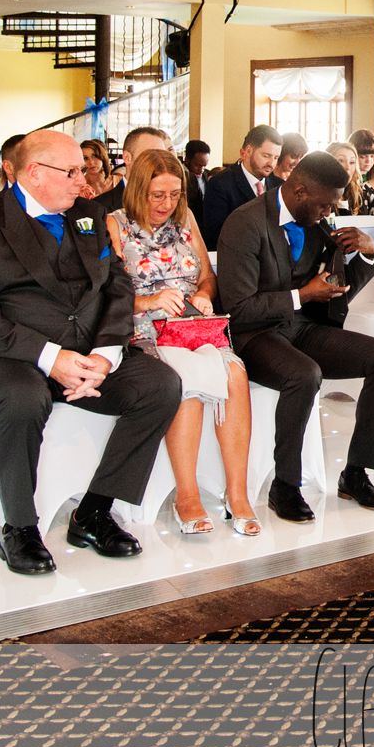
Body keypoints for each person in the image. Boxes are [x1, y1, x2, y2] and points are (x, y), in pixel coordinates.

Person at [0, 130, 181, 576]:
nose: (83, 180)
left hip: (87, 352)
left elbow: (117, 287)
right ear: (34, 173)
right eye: (71, 171)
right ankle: (20, 527)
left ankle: (93, 511)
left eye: (83, 170)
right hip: (8, 356)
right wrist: (51, 358)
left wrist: (106, 354)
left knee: (160, 384)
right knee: (22, 396)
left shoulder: (89, 214)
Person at [216, 151, 374, 524]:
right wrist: (302, 295)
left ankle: (356, 473)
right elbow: (238, 309)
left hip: (302, 328)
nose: (330, 212)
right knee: (304, 374)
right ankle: (285, 485)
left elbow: (337, 292)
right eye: (325, 204)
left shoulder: (317, 224)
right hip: (254, 335)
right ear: (299, 191)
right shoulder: (244, 223)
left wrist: (369, 254)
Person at [108, 148, 261, 537]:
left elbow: (207, 276)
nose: (166, 204)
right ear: (138, 191)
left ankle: (237, 493)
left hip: (192, 325)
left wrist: (204, 295)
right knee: (185, 383)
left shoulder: (186, 219)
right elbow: (106, 294)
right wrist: (149, 301)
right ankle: (187, 495)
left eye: (175, 195)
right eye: (157, 195)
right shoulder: (115, 224)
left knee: (235, 375)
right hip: (144, 329)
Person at [201, 125, 282, 241]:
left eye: (276, 158)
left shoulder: (279, 185)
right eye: (266, 156)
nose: (271, 163)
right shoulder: (220, 184)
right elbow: (216, 234)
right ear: (248, 151)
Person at [87, 126, 171, 218]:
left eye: (162, 155)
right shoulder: (97, 208)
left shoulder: (172, 203)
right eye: (150, 155)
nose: (159, 162)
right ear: (127, 158)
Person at [328, 142, 364, 215]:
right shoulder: (318, 196)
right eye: (341, 161)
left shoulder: (357, 193)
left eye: (352, 162)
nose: (348, 167)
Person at [183, 140, 212, 224]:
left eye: (204, 166)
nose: (201, 170)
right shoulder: (181, 177)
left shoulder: (208, 174)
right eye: (198, 165)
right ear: (187, 159)